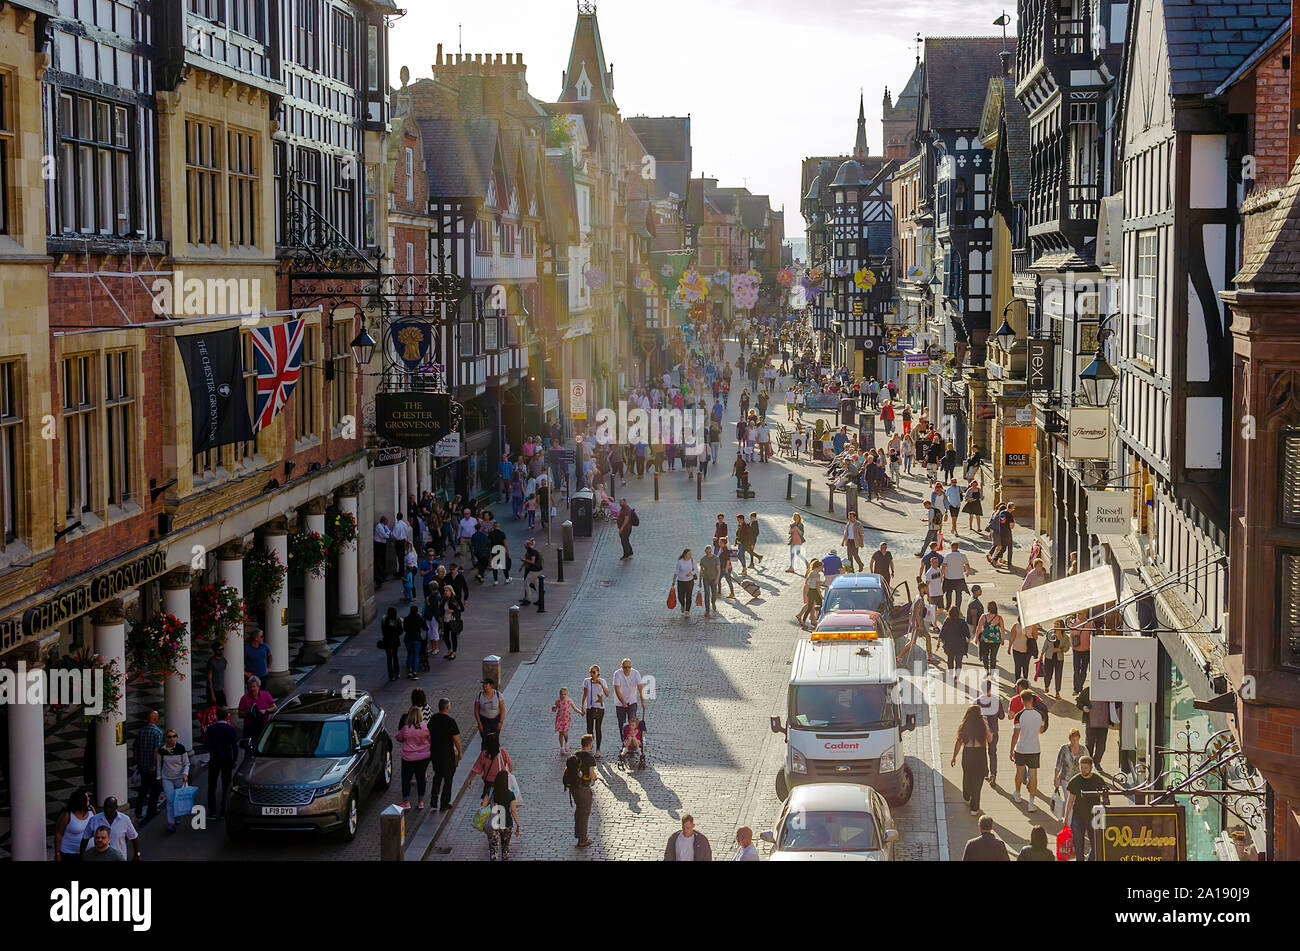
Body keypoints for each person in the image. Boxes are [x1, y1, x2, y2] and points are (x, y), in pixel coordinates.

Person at [1064, 755, 1108, 860]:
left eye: (1086, 768)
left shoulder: (1098, 780)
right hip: (1078, 816)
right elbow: (1070, 800)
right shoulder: (1075, 780)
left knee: (1096, 843)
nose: (1083, 770)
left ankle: (1090, 858)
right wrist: (1066, 817)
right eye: (1081, 767)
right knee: (1078, 845)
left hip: (1094, 816)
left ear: (1091, 767)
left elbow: (1105, 797)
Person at [1010, 689, 1047, 812]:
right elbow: (1041, 730)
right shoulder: (1040, 715)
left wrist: (1011, 751)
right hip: (1034, 748)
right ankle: (1031, 803)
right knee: (1033, 775)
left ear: (1022, 700)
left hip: (1021, 748)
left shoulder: (1018, 716)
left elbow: (1015, 735)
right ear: (1032, 700)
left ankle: (1018, 794)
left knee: (1019, 773)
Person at [951, 704, 992, 815]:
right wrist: (986, 725)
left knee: (967, 776)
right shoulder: (983, 724)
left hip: (967, 754)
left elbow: (958, 742)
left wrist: (954, 756)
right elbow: (990, 739)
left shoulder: (964, 725)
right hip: (980, 754)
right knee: (977, 781)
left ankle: (966, 795)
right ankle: (974, 808)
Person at [426, 698, 462, 812]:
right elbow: (456, 739)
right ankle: (444, 803)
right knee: (448, 779)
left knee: (437, 776)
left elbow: (428, 733)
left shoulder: (433, 719)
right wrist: (460, 752)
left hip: (435, 753)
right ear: (447, 708)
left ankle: (433, 801)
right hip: (447, 754)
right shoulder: (450, 721)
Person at [395, 703, 431, 810]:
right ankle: (420, 801)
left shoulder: (406, 728)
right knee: (421, 778)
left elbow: (398, 737)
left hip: (408, 758)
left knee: (406, 779)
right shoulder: (425, 727)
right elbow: (430, 739)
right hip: (423, 757)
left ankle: (406, 801)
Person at [205, 708, 239, 819]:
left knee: (212, 785)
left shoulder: (211, 729)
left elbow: (208, 745)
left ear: (217, 716)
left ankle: (212, 811)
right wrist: (234, 760)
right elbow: (235, 747)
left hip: (215, 759)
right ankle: (224, 809)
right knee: (226, 785)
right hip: (227, 759)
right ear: (227, 716)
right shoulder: (231, 729)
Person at [81, 797, 139, 861]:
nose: (108, 810)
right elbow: (85, 839)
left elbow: (134, 837)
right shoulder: (94, 820)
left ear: (116, 807)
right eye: (106, 807)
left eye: (111, 807)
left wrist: (137, 854)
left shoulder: (125, 819)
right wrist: (82, 855)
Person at [482, 769, 521, 861]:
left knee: (493, 850)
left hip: (493, 823)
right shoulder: (510, 794)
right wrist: (518, 825)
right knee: (505, 849)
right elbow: (513, 810)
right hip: (506, 822)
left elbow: (483, 805)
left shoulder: (491, 791)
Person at [157, 728, 190, 833]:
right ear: (166, 738)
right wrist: (158, 777)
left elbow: (186, 763)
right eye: (169, 737)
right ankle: (170, 823)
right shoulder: (162, 750)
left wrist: (185, 773)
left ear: (177, 737)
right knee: (170, 800)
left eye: (174, 736)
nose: (172, 739)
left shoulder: (181, 748)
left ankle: (178, 815)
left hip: (179, 777)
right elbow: (159, 764)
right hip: (167, 778)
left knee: (178, 799)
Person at [132, 710, 164, 823]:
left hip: (142, 765)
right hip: (152, 767)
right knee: (155, 789)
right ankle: (152, 810)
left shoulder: (141, 731)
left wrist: (136, 762)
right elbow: (157, 751)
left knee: (143, 788)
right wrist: (155, 765)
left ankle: (138, 810)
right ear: (155, 719)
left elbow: (135, 748)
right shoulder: (158, 733)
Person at [569, 734, 597, 848]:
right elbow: (592, 775)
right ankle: (583, 839)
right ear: (590, 744)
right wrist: (595, 777)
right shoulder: (589, 758)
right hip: (583, 788)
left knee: (579, 810)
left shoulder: (575, 755)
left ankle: (578, 833)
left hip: (574, 788)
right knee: (585, 812)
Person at [1078, 685, 1115, 770]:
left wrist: (1114, 702)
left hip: (1104, 723)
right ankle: (1088, 762)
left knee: (1101, 746)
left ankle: (1097, 761)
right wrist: (1084, 707)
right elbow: (1079, 702)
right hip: (1091, 722)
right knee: (1089, 744)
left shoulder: (1109, 690)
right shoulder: (1088, 690)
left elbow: (1117, 704)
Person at [55, 789, 95, 862]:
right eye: (86, 798)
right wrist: (57, 854)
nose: (89, 799)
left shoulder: (91, 810)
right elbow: (58, 834)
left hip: (88, 852)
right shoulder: (67, 815)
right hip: (70, 854)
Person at [1053, 728, 1087, 816]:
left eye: (1076, 740)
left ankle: (1070, 818)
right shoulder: (1064, 748)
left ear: (1079, 738)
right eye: (1072, 740)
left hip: (1079, 780)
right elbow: (1058, 765)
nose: (1074, 742)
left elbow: (1089, 764)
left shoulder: (1084, 750)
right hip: (1066, 779)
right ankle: (1069, 822)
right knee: (1069, 800)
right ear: (1069, 739)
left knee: (1076, 802)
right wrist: (1056, 778)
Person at [581, 665, 611, 757]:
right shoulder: (587, 681)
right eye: (591, 672)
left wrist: (600, 684)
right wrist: (582, 706)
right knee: (589, 729)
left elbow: (607, 694)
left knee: (598, 729)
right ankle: (589, 746)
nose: (592, 674)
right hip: (590, 707)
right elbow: (585, 694)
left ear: (598, 673)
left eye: (594, 672)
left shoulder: (603, 681)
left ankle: (598, 749)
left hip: (599, 708)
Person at [613, 658, 645, 742]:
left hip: (632, 701)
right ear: (622, 667)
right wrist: (623, 702)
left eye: (629, 667)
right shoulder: (617, 674)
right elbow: (617, 689)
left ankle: (634, 741)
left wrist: (643, 701)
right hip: (620, 703)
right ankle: (624, 741)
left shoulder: (636, 673)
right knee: (622, 724)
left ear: (631, 666)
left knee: (632, 722)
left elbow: (640, 688)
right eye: (625, 667)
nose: (627, 669)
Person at [1041, 619, 1069, 700]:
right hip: (1049, 657)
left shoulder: (1065, 637)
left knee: (1058, 675)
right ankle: (1046, 686)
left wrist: (1059, 650)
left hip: (1059, 658)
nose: (1055, 626)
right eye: (1055, 624)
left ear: (1061, 626)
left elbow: (1067, 648)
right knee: (1048, 674)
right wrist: (1041, 654)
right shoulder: (1050, 634)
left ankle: (1057, 692)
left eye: (1057, 624)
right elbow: (1045, 645)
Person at [974, 602, 1005, 673]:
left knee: (985, 656)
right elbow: (1002, 629)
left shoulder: (984, 616)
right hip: (996, 640)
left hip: (985, 639)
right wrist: (1002, 639)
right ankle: (992, 671)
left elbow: (978, 628)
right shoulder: (999, 618)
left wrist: (976, 638)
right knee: (993, 657)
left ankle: (986, 669)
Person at [939, 606, 971, 671]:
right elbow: (967, 633)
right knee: (959, 661)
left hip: (949, 644)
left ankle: (951, 674)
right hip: (960, 645)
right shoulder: (962, 622)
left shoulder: (947, 621)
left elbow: (942, 632)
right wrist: (968, 639)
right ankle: (957, 677)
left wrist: (939, 641)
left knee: (950, 659)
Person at [796, 559, 825, 629]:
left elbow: (807, 582)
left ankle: (804, 621)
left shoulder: (811, 572)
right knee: (820, 605)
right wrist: (821, 595)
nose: (822, 569)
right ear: (818, 567)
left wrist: (811, 586)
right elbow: (817, 586)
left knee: (809, 607)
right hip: (815, 591)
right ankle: (819, 620)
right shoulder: (817, 575)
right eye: (822, 567)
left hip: (810, 591)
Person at [553, 687, 582, 756]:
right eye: (562, 694)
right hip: (560, 718)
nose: (563, 696)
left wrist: (580, 712)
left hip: (566, 718)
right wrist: (553, 708)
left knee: (565, 733)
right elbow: (555, 709)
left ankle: (566, 742)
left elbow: (575, 708)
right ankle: (561, 747)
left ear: (567, 694)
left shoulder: (569, 701)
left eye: (564, 694)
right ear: (559, 694)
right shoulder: (557, 701)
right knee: (561, 733)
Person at [674, 548, 698, 617]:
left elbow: (696, 570)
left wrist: (691, 573)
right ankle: (683, 604)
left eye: (691, 554)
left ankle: (687, 611)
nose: (690, 555)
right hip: (681, 581)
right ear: (685, 554)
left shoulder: (692, 560)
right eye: (689, 554)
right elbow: (676, 571)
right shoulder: (680, 562)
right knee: (680, 597)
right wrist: (673, 581)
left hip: (690, 581)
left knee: (688, 596)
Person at [402, 604, 424, 680]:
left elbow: (404, 629)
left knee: (410, 654)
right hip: (416, 638)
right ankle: (415, 671)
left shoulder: (406, 619)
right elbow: (425, 627)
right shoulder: (419, 618)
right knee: (416, 655)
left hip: (408, 638)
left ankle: (409, 670)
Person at [699, 545, 721, 617]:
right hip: (706, 578)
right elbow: (701, 571)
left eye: (709, 551)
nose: (708, 552)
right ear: (705, 552)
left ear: (711, 550)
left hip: (714, 578)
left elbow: (718, 569)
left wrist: (717, 579)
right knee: (707, 593)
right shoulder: (703, 559)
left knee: (714, 593)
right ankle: (707, 610)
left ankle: (713, 602)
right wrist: (700, 581)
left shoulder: (716, 558)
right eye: (707, 551)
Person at [206, 642, 227, 708]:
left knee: (223, 709)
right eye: (219, 650)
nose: (221, 651)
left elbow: (222, 674)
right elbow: (209, 678)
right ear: (215, 650)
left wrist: (223, 687)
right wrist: (212, 694)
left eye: (222, 649)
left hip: (220, 689)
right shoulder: (211, 662)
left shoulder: (224, 661)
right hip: (213, 689)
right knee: (213, 710)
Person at [373, 515, 392, 584]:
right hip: (379, 545)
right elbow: (384, 535)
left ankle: (383, 575)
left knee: (383, 559)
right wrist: (387, 534)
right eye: (386, 521)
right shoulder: (379, 526)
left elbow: (388, 531)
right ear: (384, 521)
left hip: (383, 544)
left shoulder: (384, 526)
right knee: (379, 560)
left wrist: (387, 534)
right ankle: (380, 576)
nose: (387, 522)